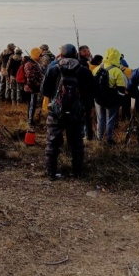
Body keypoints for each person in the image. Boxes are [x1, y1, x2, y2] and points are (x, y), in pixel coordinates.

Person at [41, 44, 96, 180]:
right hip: (77, 113)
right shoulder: (84, 71)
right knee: (76, 143)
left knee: (52, 142)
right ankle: (77, 173)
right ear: (75, 54)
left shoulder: (53, 69)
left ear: (61, 55)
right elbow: (93, 91)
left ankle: (51, 173)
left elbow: (44, 91)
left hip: (56, 112)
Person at [92, 48, 126, 145]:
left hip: (98, 99)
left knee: (100, 119)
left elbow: (92, 84)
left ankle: (99, 139)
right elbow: (121, 90)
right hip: (111, 101)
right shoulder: (117, 71)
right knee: (110, 120)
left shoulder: (96, 69)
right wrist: (118, 101)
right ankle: (109, 139)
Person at [24, 47, 44, 127]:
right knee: (31, 105)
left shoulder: (34, 63)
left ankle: (31, 120)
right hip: (31, 89)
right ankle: (30, 121)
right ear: (36, 55)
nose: (41, 57)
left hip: (34, 88)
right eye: (40, 55)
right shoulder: (30, 64)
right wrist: (38, 84)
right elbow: (30, 78)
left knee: (33, 105)